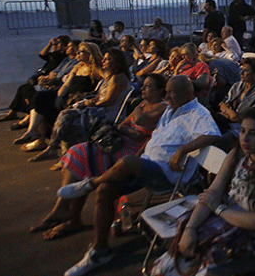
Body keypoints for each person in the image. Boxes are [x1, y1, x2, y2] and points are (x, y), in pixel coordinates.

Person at [59, 75, 221, 276]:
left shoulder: (199, 114)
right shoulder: (170, 110)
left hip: (167, 175)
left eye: (171, 92)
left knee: (125, 164)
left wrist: (182, 151)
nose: (167, 95)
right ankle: (99, 251)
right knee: (105, 190)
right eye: (167, 91)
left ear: (187, 93)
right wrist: (136, 157)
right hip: (146, 166)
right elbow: (154, 138)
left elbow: (213, 134)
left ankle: (90, 183)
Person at [153, 107, 255, 276]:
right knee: (168, 263)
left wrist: (219, 208)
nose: (245, 138)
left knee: (198, 265)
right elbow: (212, 193)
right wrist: (190, 229)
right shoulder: (237, 154)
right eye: (243, 131)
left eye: (253, 133)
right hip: (227, 221)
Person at [28, 74, 168, 239]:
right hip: (123, 143)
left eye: (148, 86)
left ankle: (69, 215)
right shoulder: (144, 104)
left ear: (160, 90)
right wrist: (132, 130)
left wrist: (136, 113)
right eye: (143, 86)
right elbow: (122, 125)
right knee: (77, 152)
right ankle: (64, 210)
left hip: (136, 152)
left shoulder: (163, 107)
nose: (143, 89)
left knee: (84, 157)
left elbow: (140, 120)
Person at [28, 48, 132, 162]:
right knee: (65, 114)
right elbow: (100, 96)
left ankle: (63, 155)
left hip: (106, 113)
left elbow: (108, 101)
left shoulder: (118, 78)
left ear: (115, 62)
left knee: (70, 123)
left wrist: (87, 103)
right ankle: (58, 152)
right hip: (98, 109)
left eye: (107, 60)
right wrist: (84, 102)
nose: (103, 61)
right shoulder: (111, 77)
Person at [13, 42, 102, 146]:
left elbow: (107, 78)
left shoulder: (96, 68)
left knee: (43, 101)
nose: (77, 53)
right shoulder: (78, 67)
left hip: (79, 97)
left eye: (81, 51)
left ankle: (41, 140)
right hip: (67, 94)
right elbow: (66, 85)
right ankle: (32, 131)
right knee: (40, 97)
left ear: (90, 53)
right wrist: (59, 97)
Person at [0, 38, 77, 124]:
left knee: (35, 94)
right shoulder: (66, 59)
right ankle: (15, 113)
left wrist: (54, 46)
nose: (66, 48)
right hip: (48, 78)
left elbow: (58, 67)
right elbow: (42, 55)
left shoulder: (63, 57)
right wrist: (49, 45)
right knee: (23, 88)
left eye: (58, 43)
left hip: (54, 82)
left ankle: (30, 118)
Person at [218, 58, 255, 141]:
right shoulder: (237, 85)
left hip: (241, 127)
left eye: (246, 71)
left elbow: (251, 116)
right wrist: (229, 112)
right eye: (242, 69)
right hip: (226, 119)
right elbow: (223, 103)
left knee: (222, 138)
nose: (241, 73)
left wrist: (230, 114)